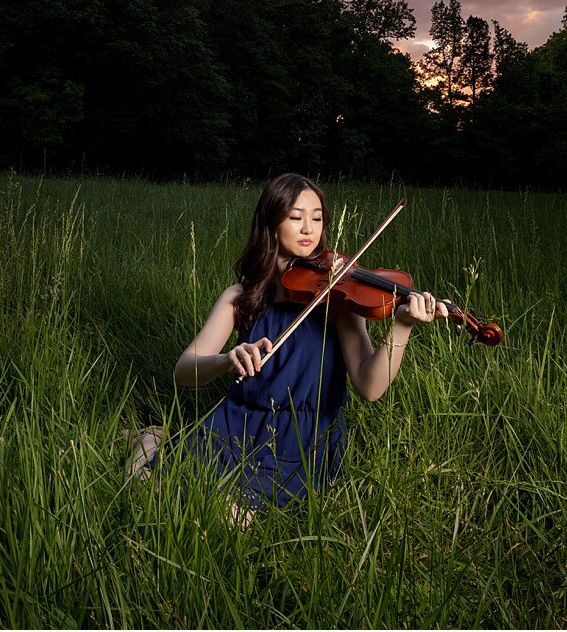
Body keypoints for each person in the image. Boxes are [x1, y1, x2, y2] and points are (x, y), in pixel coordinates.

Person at [129, 172, 451, 516]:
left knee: (230, 516)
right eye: (296, 217)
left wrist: (401, 327)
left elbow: (370, 388)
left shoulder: (338, 296)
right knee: (148, 487)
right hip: (238, 421)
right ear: (271, 223)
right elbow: (183, 372)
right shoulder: (241, 297)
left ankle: (158, 441)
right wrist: (226, 360)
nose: (309, 229)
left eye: (316, 218)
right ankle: (148, 442)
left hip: (305, 437)